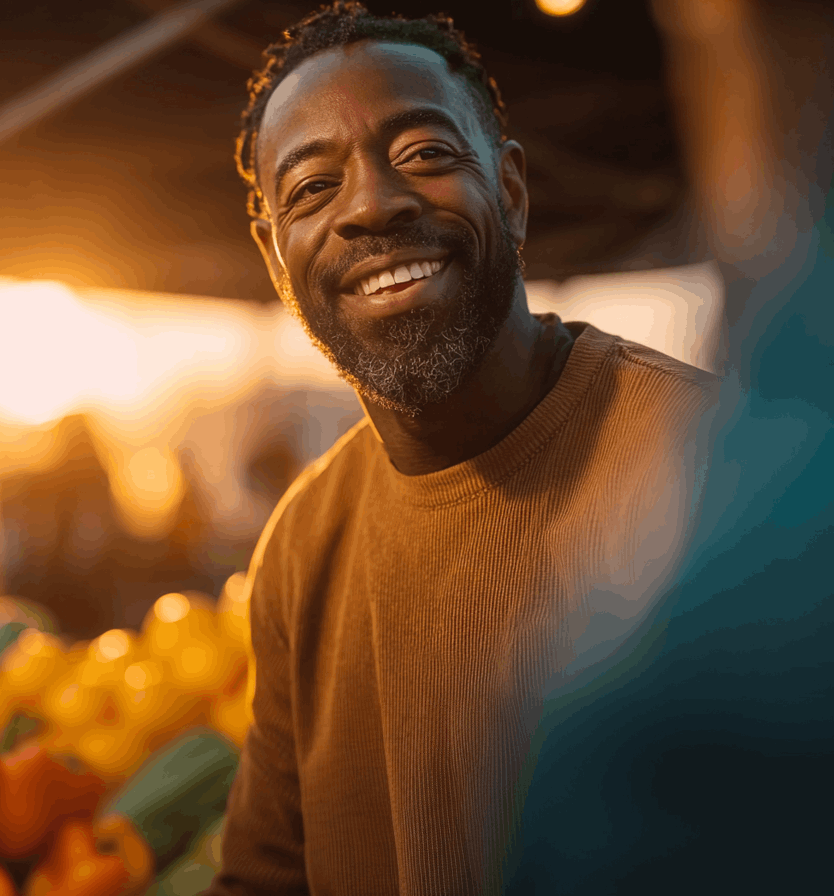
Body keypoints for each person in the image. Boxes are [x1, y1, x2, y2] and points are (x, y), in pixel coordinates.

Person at [205, 4, 719, 894]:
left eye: (425, 154)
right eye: (312, 187)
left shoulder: (712, 471)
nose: (373, 204)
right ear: (273, 257)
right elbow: (265, 877)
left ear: (511, 193)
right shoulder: (300, 548)